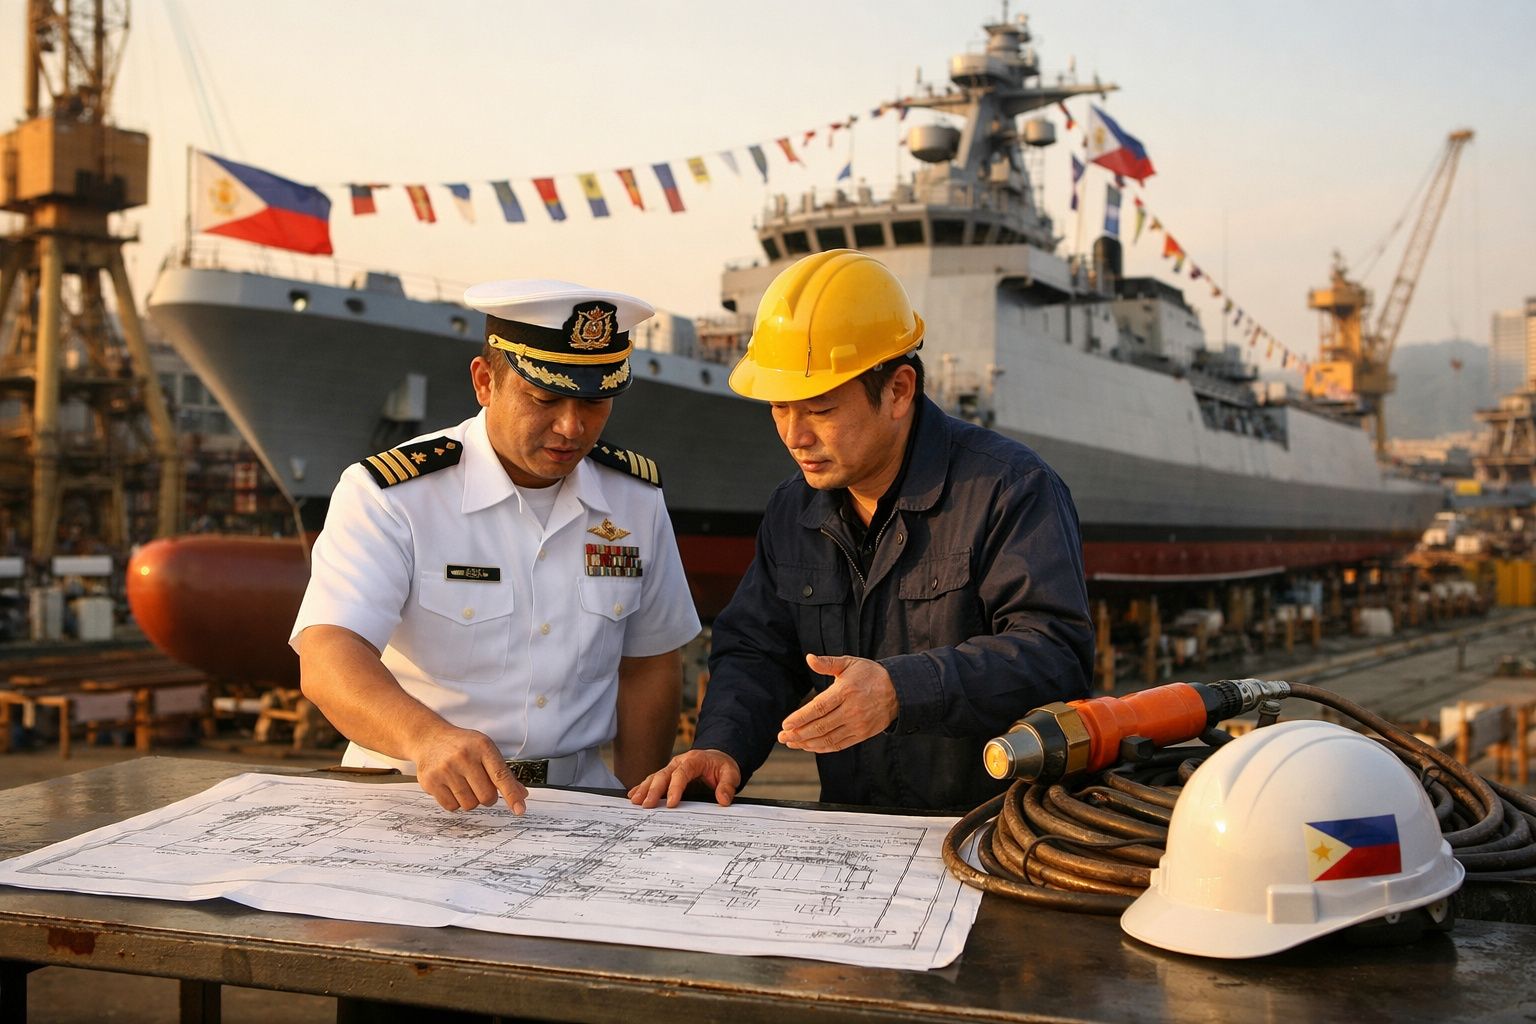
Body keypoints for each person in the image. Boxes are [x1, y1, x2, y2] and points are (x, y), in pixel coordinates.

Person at [629, 250, 1092, 812]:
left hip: (995, 828)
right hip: (855, 831)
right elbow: (757, 649)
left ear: (898, 391)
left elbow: (1054, 654)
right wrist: (721, 746)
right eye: (779, 408)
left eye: (819, 409)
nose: (794, 436)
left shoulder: (1010, 489)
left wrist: (902, 690)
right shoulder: (793, 509)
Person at [292, 279, 701, 815]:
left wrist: (635, 808)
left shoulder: (634, 499)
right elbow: (328, 652)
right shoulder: (394, 495)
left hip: (579, 800)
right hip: (412, 795)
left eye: (595, 402)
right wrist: (426, 737)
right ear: (485, 382)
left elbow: (650, 663)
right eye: (545, 398)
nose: (571, 427)